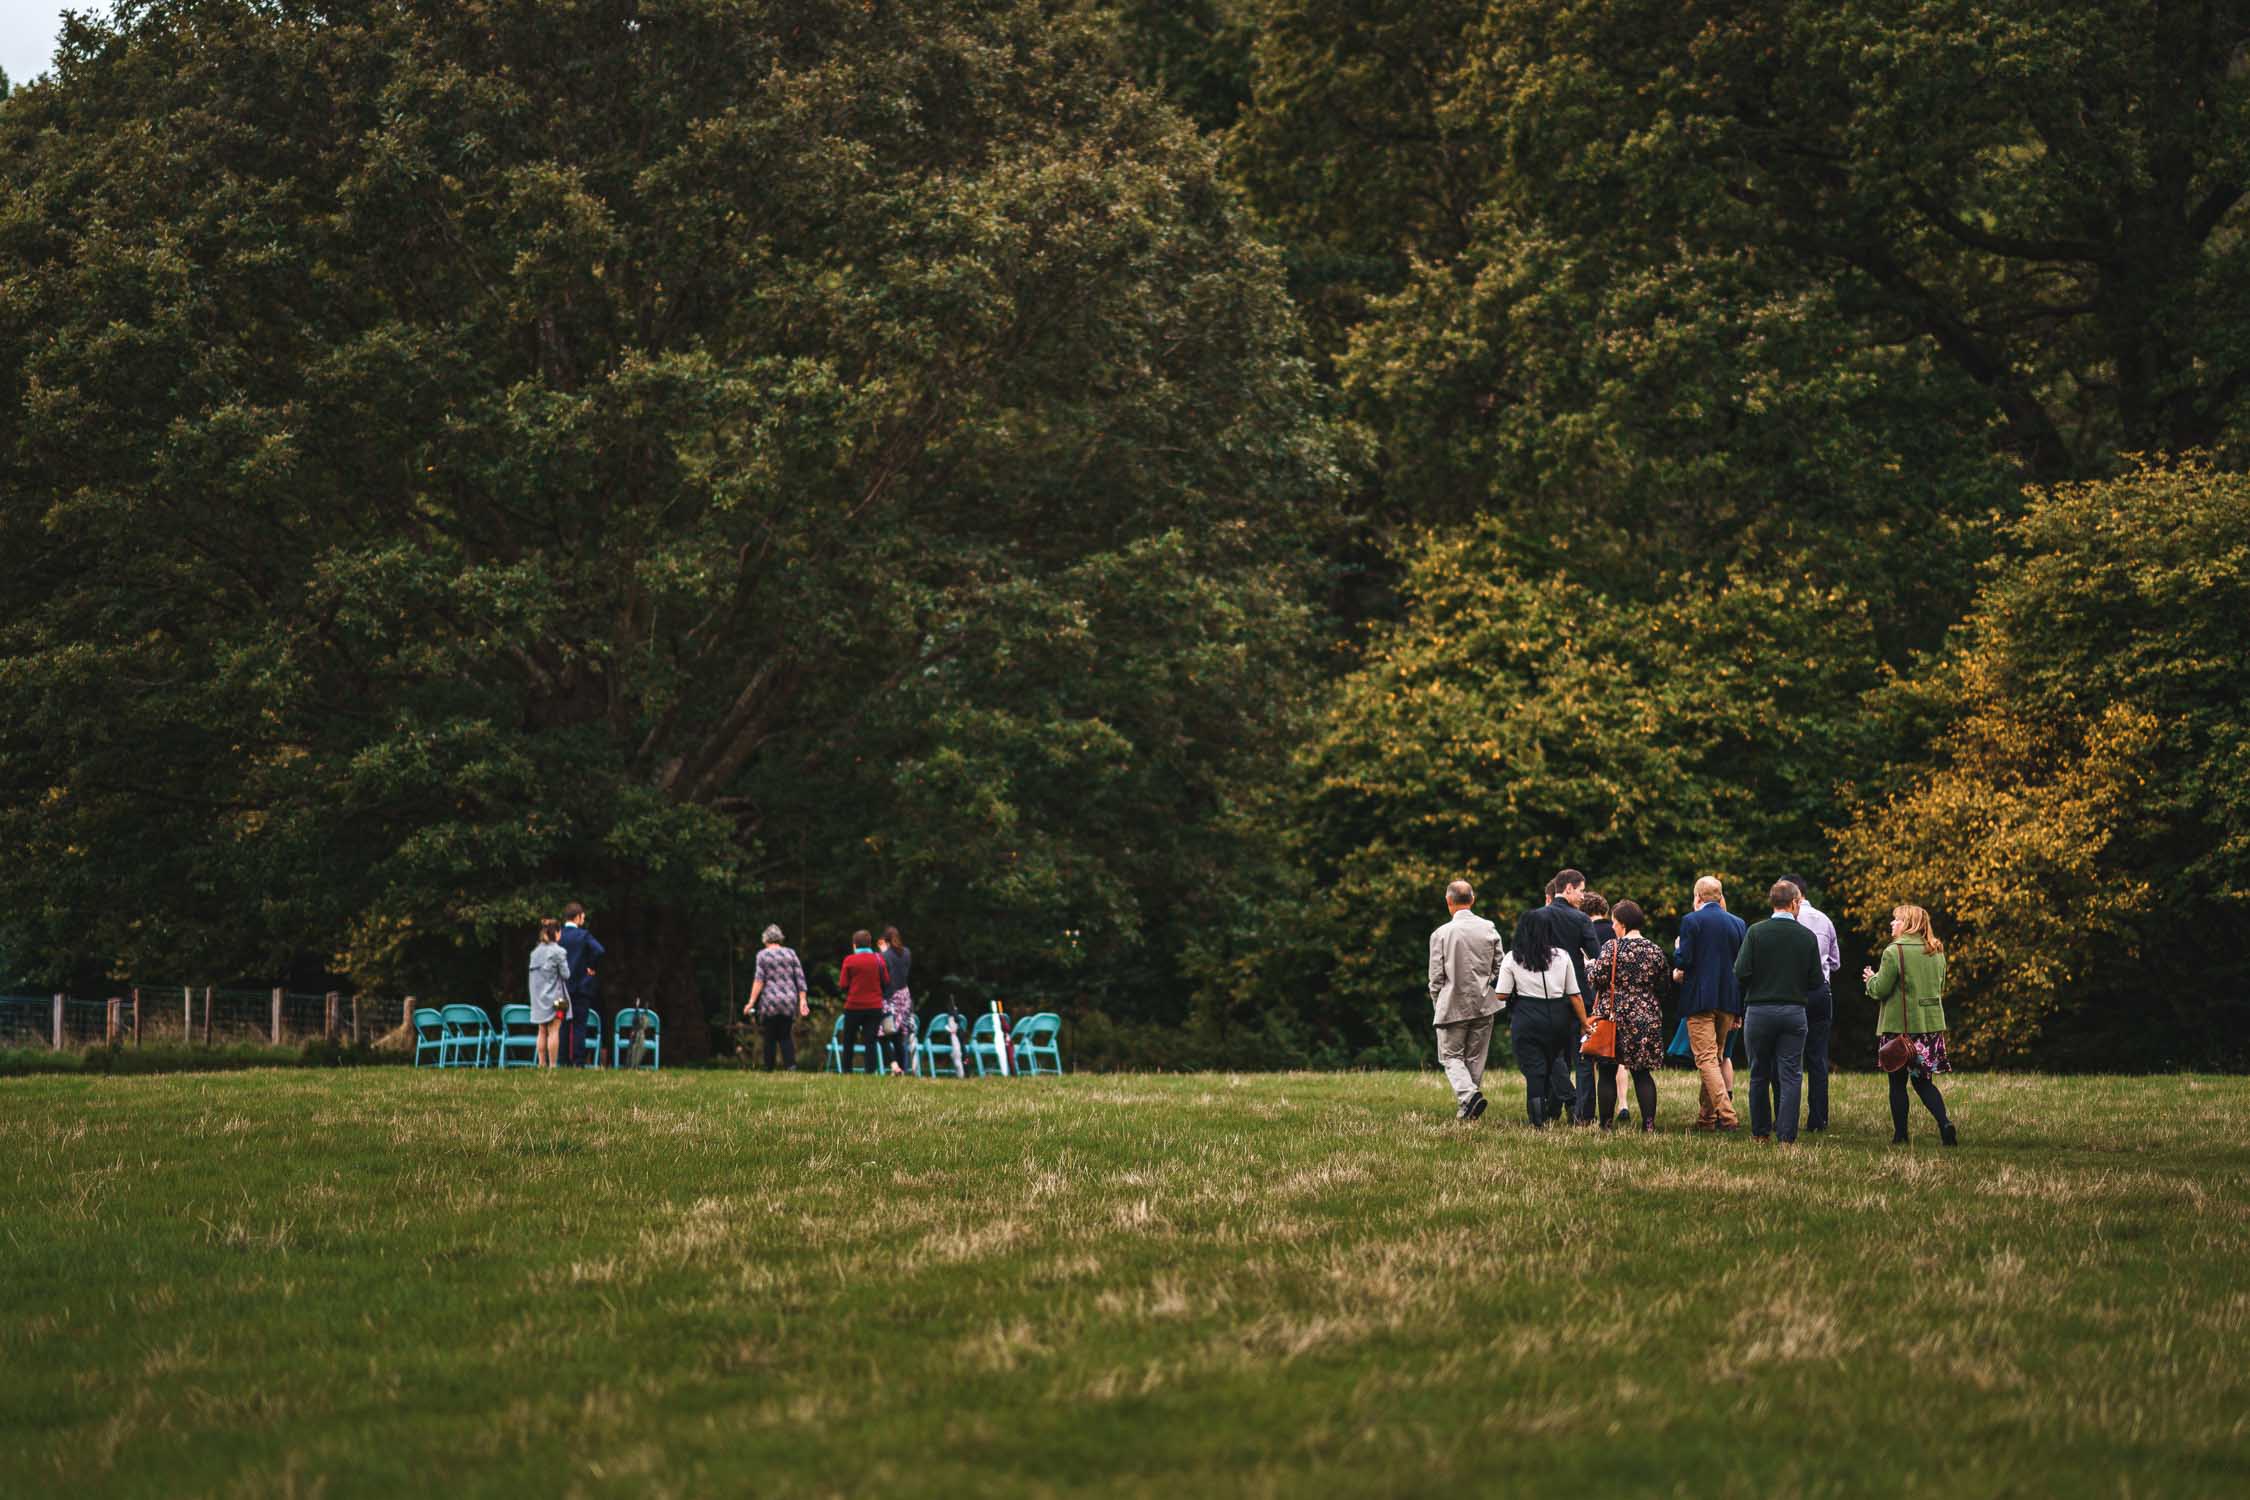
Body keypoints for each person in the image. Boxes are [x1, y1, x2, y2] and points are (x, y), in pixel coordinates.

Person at [1733, 880, 1822, 1144]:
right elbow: (1817, 981)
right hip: (1794, 1011)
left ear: (1772, 902)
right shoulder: (1807, 936)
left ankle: (1761, 1133)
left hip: (1759, 1011)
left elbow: (1740, 972)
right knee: (1791, 1074)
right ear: (1795, 903)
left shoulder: (1756, 932)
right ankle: (1786, 1136)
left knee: (1758, 1072)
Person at [1864, 904, 1958, 1146]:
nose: (1891, 924)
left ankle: (1901, 1135)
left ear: (1907, 924)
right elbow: (1940, 986)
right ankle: (1944, 1123)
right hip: (1929, 1027)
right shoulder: (1936, 950)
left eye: (1895, 920)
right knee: (1923, 1081)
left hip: (1900, 1029)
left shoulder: (1894, 952)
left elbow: (1881, 989)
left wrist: (1870, 979)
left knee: (1897, 1083)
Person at [1495, 908, 1585, 1127]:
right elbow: (1574, 993)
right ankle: (1567, 1105)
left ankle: (1538, 1121)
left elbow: (1501, 994)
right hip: (1558, 1015)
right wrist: (1584, 1022)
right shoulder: (1562, 956)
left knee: (1535, 1069)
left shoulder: (1513, 957)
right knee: (1556, 1061)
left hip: (1527, 1014)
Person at [1673, 875, 1747, 1130]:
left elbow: (1684, 961)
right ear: (1720, 896)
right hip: (1728, 999)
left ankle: (1727, 1116)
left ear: (1698, 897)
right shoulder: (1738, 924)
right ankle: (1706, 1119)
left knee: (1705, 1059)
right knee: (1713, 1058)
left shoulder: (1692, 921)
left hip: (1700, 1000)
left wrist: (1678, 948)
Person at [1585, 899, 1666, 1131]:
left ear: (1622, 924)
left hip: (1614, 1015)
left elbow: (1597, 978)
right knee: (1642, 1073)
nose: (1612, 927)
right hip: (1645, 1015)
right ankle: (1649, 1124)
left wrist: (1590, 965)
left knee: (1608, 1071)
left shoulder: (1612, 947)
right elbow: (1664, 986)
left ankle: (1606, 1124)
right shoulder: (1655, 950)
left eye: (1614, 923)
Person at [1428, 878, 1504, 1121]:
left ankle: (1469, 1096)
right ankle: (1468, 1107)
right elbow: (1500, 966)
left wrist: (1437, 1003)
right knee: (1475, 1058)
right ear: (1472, 900)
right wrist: (1485, 982)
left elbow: (1436, 978)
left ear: (1448, 902)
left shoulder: (1441, 933)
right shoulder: (1489, 928)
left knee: (1450, 1057)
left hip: (1452, 1003)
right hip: (1484, 1002)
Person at [1536, 869, 1606, 1123]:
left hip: (1545, 993)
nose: (1583, 896)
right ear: (1568, 889)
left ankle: (1553, 1109)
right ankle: (1583, 1113)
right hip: (1576, 992)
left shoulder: (1537, 918)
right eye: (1581, 890)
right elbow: (1596, 955)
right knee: (1583, 1056)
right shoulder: (1580, 919)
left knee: (1553, 1054)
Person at [1780, 873, 1842, 1131]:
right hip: (1821, 993)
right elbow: (1836, 963)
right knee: (1817, 1058)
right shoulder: (1824, 920)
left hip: (1793, 992)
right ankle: (1818, 1119)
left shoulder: (1785, 921)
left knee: (1787, 1057)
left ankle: (1784, 1118)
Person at [741, 924, 809, 1071]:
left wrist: (751, 1002)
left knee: (770, 1036)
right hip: (788, 1000)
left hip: (770, 1001)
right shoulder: (791, 953)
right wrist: (803, 1000)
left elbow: (759, 980)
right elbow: (800, 978)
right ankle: (790, 1066)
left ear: (765, 939)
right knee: (785, 1035)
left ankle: (769, 1067)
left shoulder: (762, 955)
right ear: (780, 938)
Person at [557, 901, 605, 1067]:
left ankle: (562, 1061)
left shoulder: (558, 935)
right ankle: (578, 1062)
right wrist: (590, 966)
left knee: (562, 1025)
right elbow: (599, 950)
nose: (584, 919)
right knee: (579, 1026)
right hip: (581, 987)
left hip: (560, 989)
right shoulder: (584, 935)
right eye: (583, 916)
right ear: (577, 917)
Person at [837, 930, 888, 1075]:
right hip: (874, 1006)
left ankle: (847, 1070)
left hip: (854, 1006)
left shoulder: (849, 960)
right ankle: (870, 1071)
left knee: (849, 1040)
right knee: (870, 1041)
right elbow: (886, 981)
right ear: (870, 943)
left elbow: (843, 984)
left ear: (854, 945)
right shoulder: (878, 959)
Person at [528, 918, 571, 1068]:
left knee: (541, 1030)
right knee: (554, 1030)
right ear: (557, 933)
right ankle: (553, 1065)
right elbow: (566, 975)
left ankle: (541, 1063)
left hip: (538, 999)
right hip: (557, 1000)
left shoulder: (534, 953)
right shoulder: (559, 952)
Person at [878, 926, 915, 1076]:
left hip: (890, 998)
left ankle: (894, 1066)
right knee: (899, 1035)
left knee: (883, 1033)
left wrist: (883, 952)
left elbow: (884, 975)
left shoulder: (885, 956)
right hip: (904, 996)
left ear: (885, 941)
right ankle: (902, 1068)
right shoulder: (907, 953)